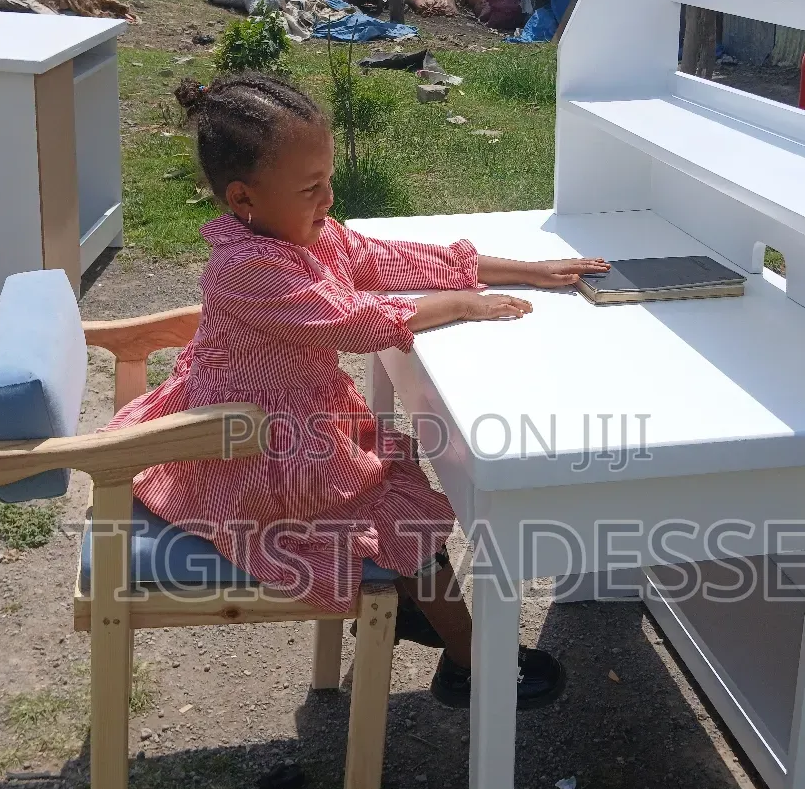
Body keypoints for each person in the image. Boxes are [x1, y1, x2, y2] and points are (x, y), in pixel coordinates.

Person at [111, 73, 608, 708]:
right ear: (243, 197)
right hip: (247, 454)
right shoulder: (248, 270)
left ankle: (423, 615)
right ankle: (474, 661)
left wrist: (526, 269)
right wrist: (458, 304)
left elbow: (386, 257)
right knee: (396, 511)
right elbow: (353, 320)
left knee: (394, 490)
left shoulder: (297, 235)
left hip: (282, 428)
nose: (328, 197)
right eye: (310, 187)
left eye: (328, 179)